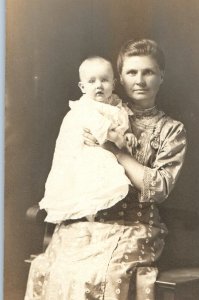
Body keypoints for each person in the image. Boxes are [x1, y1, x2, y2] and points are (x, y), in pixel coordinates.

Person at [25, 39, 187, 300]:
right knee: (50, 268)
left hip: (137, 225)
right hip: (89, 223)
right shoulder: (98, 114)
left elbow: (158, 188)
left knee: (99, 275)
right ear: (120, 78)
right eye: (132, 72)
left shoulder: (171, 129)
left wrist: (116, 151)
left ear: (161, 77)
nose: (140, 80)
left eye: (148, 72)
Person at [39, 56, 137, 224]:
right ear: (82, 87)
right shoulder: (85, 107)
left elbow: (120, 120)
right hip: (82, 151)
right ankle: (91, 216)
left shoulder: (114, 104)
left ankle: (102, 215)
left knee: (105, 181)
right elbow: (103, 129)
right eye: (92, 81)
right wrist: (119, 138)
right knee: (87, 181)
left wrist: (127, 133)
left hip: (102, 149)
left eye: (104, 80)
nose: (99, 85)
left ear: (113, 84)